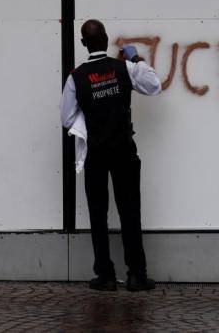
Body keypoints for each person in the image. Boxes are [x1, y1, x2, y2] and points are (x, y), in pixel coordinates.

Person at [61, 19, 161, 291]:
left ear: (83, 44)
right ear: (105, 39)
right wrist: (135, 56)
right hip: (124, 151)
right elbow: (153, 85)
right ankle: (136, 275)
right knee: (130, 212)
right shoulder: (124, 68)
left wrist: (94, 114)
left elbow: (67, 118)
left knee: (97, 213)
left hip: (96, 152)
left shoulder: (76, 77)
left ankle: (105, 275)